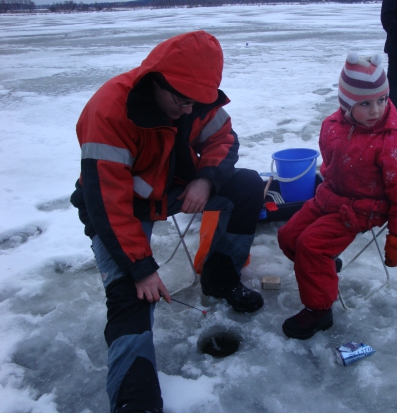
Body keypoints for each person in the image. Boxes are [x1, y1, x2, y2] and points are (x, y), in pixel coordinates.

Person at [70, 31, 265, 413]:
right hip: (115, 208)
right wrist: (141, 268)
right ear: (155, 80)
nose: (188, 110)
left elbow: (224, 140)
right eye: (180, 99)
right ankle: (134, 400)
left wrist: (204, 180)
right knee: (132, 292)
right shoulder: (109, 110)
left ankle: (221, 278)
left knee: (246, 186)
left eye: (197, 101)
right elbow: (107, 201)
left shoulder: (196, 100)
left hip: (171, 191)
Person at [277, 53, 397, 340]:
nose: (376, 110)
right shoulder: (332, 125)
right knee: (288, 236)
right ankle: (323, 269)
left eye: (382, 100)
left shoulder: (396, 141)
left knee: (311, 246)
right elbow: (330, 164)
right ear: (346, 104)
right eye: (365, 103)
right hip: (329, 197)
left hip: (363, 208)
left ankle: (319, 310)